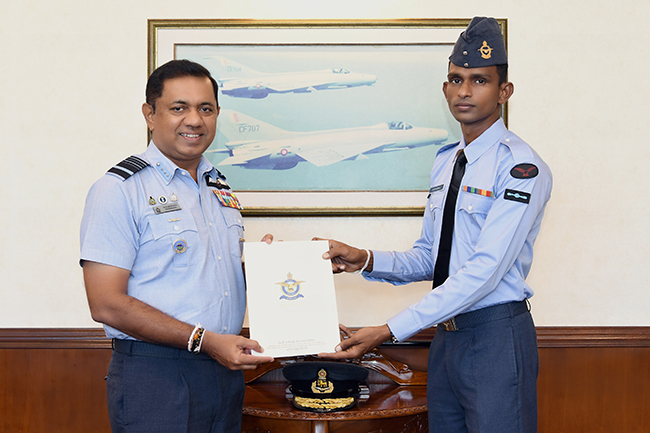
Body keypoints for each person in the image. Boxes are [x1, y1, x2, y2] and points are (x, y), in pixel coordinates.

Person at [318, 17, 552, 433]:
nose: (464, 91)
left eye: (479, 80)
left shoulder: (520, 168)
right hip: (447, 338)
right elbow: (432, 255)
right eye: (455, 79)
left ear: (504, 91)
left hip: (495, 336)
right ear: (445, 88)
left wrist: (389, 330)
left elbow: (485, 270)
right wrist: (364, 259)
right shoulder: (447, 161)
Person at [80, 59, 274, 433]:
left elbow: (210, 276)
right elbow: (105, 303)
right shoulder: (119, 189)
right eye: (178, 108)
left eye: (205, 109)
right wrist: (205, 341)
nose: (195, 120)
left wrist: (273, 269)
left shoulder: (219, 188)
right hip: (156, 375)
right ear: (150, 114)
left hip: (224, 372)